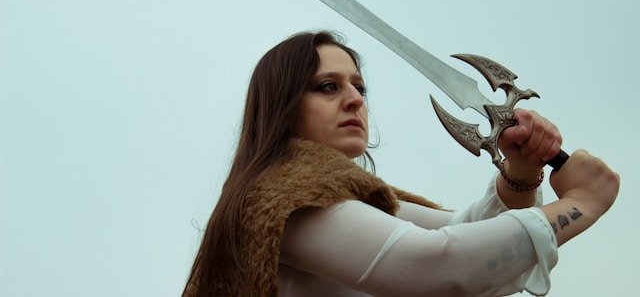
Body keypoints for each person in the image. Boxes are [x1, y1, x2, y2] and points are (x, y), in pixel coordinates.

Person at [183, 31, 619, 297]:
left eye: (358, 86)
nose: (355, 98)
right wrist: (582, 203)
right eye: (328, 87)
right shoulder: (280, 200)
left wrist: (520, 174)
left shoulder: (343, 196)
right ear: (283, 107)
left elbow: (462, 233)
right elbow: (437, 266)